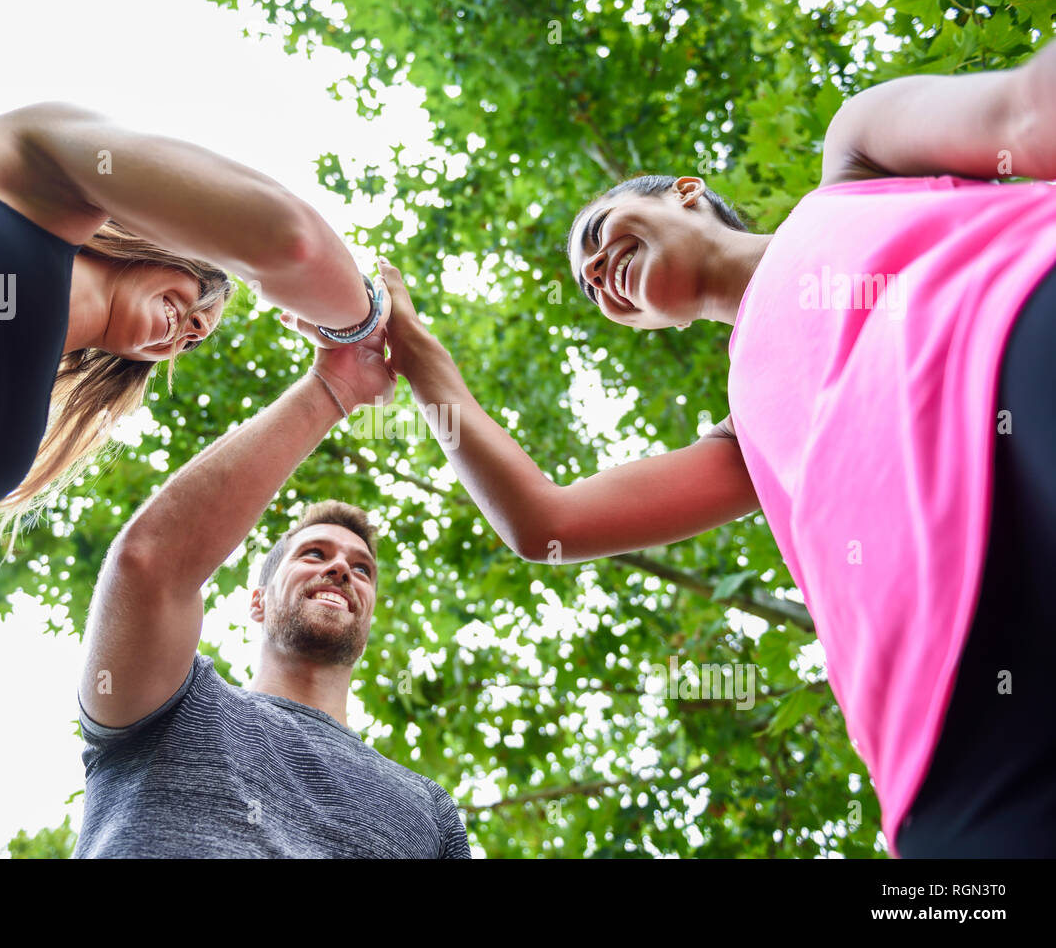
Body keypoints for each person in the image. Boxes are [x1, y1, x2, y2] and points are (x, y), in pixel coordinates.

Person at [363, 42, 1056, 857]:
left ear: (685, 192)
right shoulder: (748, 427)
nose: (595, 270)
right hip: (946, 724)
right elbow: (542, 523)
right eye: (590, 289)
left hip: (1020, 349)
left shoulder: (859, 155)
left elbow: (1027, 112)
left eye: (596, 233)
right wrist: (415, 354)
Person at [0, 102, 383, 725]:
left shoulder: (21, 424)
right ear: (169, 246)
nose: (188, 331)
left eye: (198, 337)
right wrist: (369, 320)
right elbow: (291, 240)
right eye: (200, 301)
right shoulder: (28, 169)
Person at [73, 315, 470, 858]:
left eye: (362, 568)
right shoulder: (172, 704)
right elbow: (148, 564)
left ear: (369, 617)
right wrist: (335, 386)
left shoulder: (428, 811)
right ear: (257, 603)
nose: (341, 570)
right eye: (314, 554)